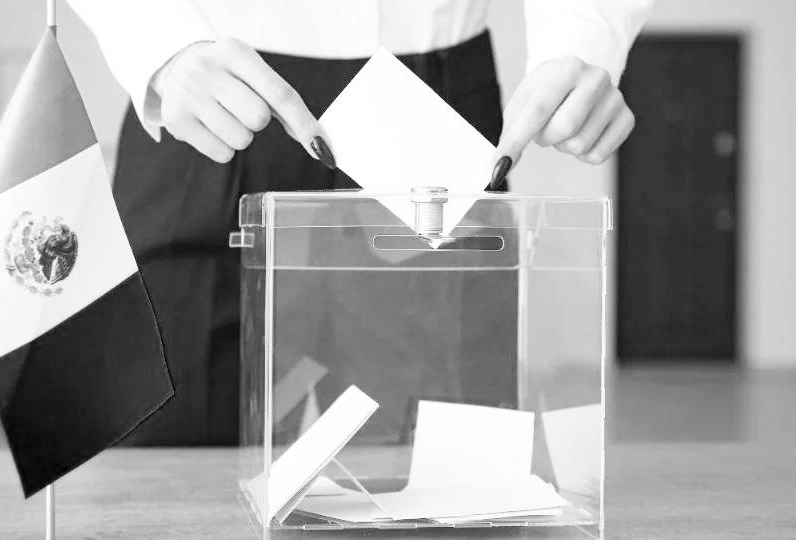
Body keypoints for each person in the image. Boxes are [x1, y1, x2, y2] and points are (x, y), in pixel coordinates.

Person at [68, 0, 653, 445]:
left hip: (432, 111)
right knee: (172, 474)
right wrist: (161, 43)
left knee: (441, 482)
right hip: (214, 98)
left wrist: (581, 40)